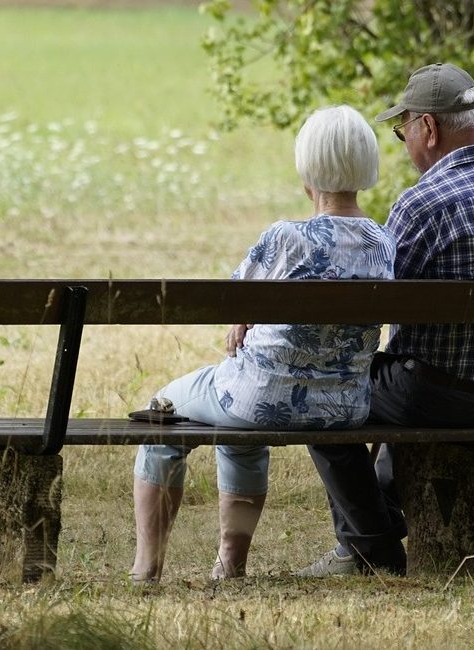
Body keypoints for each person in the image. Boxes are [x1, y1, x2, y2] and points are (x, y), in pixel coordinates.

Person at [297, 63, 474, 577]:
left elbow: (374, 308)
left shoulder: (422, 204)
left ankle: (370, 547)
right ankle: (379, 521)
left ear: (428, 128)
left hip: (433, 396)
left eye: (403, 133)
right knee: (406, 372)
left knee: (322, 390)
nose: (405, 144)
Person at [130, 105, 396, 583]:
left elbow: (230, 299)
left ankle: (146, 567)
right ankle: (230, 564)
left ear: (307, 168)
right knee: (237, 422)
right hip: (343, 407)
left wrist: (242, 317)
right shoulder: (384, 242)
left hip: (259, 399)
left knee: (162, 411)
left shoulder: (286, 238)